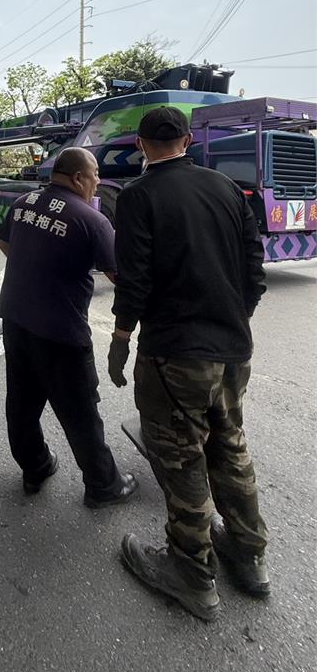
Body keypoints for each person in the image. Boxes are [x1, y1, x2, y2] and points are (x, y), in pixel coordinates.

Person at [108, 106, 268, 622]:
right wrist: (232, 318)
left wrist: (121, 334)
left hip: (175, 353)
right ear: (186, 139)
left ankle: (192, 575)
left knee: (182, 460)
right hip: (231, 349)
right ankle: (248, 555)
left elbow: (134, 278)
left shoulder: (138, 196)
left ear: (140, 143)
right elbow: (253, 266)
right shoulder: (226, 189)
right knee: (230, 446)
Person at [0, 147, 138, 506]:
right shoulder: (91, 220)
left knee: (22, 403)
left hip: (16, 319)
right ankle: (105, 486)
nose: (97, 184)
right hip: (61, 332)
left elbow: (3, 243)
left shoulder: (25, 202)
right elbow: (120, 275)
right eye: (94, 177)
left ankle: (36, 467)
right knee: (80, 412)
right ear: (78, 178)